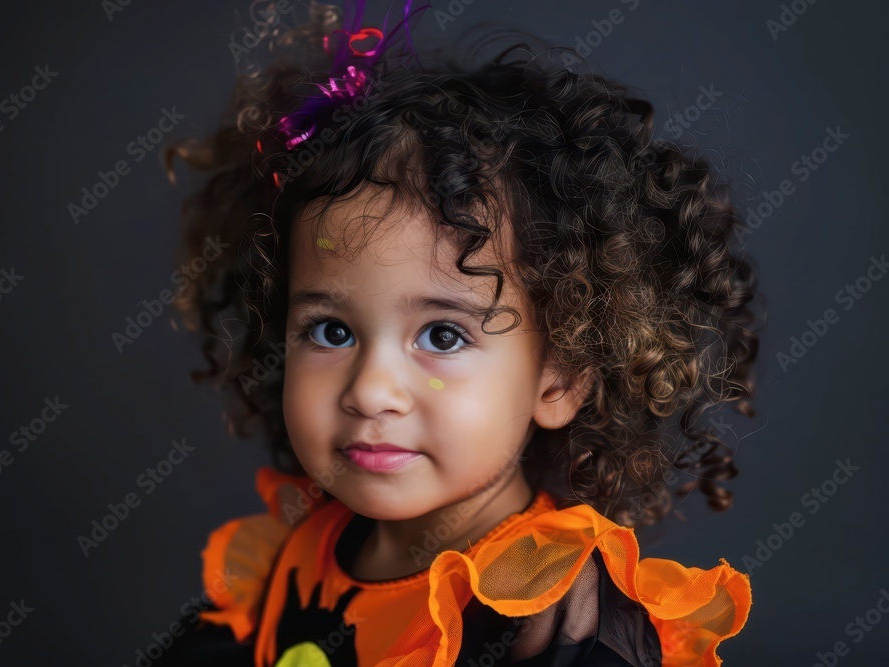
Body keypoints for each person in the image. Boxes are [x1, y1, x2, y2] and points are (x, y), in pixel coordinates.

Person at [157, 1, 760, 664]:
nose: (371, 391)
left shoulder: (551, 617)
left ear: (558, 378)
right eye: (330, 330)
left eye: (442, 336)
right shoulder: (293, 553)